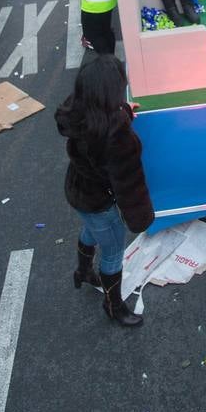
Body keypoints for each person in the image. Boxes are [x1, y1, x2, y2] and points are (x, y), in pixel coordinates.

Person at [56, 55, 153, 326]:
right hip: (100, 201)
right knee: (112, 252)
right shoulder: (116, 136)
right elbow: (129, 184)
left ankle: (83, 271)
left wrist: (122, 111)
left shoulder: (75, 111)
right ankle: (113, 305)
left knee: (90, 230)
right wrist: (140, 217)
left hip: (77, 191)